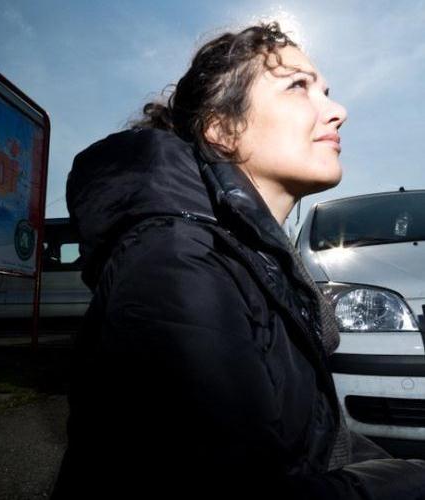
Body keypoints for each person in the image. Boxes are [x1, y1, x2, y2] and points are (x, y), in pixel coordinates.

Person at [51, 21, 425, 499]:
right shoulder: (177, 262)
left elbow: (314, 442)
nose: (338, 111)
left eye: (327, 92)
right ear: (223, 129)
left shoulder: (252, 259)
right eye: (298, 86)